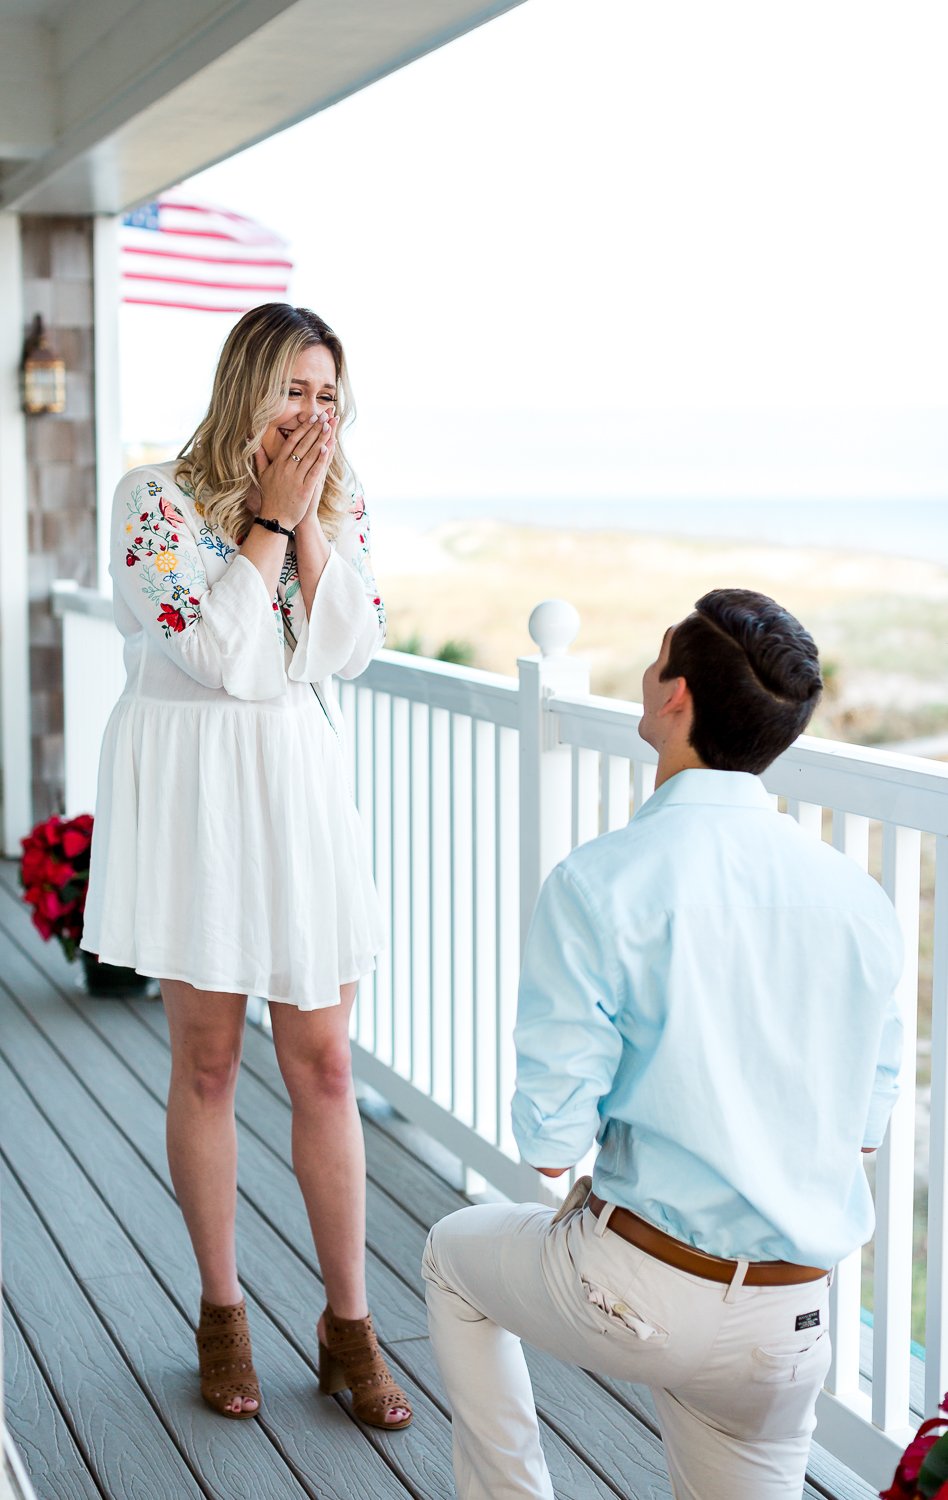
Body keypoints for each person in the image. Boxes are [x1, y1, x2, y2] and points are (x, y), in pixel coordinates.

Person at [422, 588, 903, 1499]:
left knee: (454, 1255)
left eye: (655, 658)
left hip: (642, 1289)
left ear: (674, 695)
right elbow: (866, 1128)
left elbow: (549, 1142)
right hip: (791, 1324)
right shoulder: (860, 901)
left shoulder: (600, 883)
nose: (646, 673)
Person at [82, 303, 412, 1428]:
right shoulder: (151, 500)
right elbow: (220, 655)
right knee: (211, 1062)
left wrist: (310, 519)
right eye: (293, 390)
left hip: (295, 783)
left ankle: (348, 1322)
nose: (313, 415)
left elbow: (345, 651)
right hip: (193, 789)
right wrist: (268, 519)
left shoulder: (343, 493)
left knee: (323, 1062)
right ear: (245, 388)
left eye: (329, 395)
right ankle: (223, 1311)